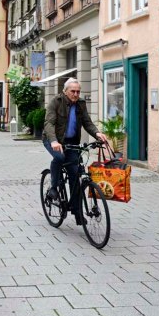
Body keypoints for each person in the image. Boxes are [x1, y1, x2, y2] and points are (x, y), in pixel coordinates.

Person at [43, 78, 108, 220]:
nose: (76, 94)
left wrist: (97, 134)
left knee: (75, 174)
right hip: (52, 139)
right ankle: (53, 187)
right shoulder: (56, 102)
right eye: (73, 91)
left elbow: (87, 122)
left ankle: (76, 210)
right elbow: (49, 123)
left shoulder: (81, 104)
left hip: (71, 142)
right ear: (65, 91)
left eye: (78, 91)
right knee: (59, 157)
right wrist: (54, 141)